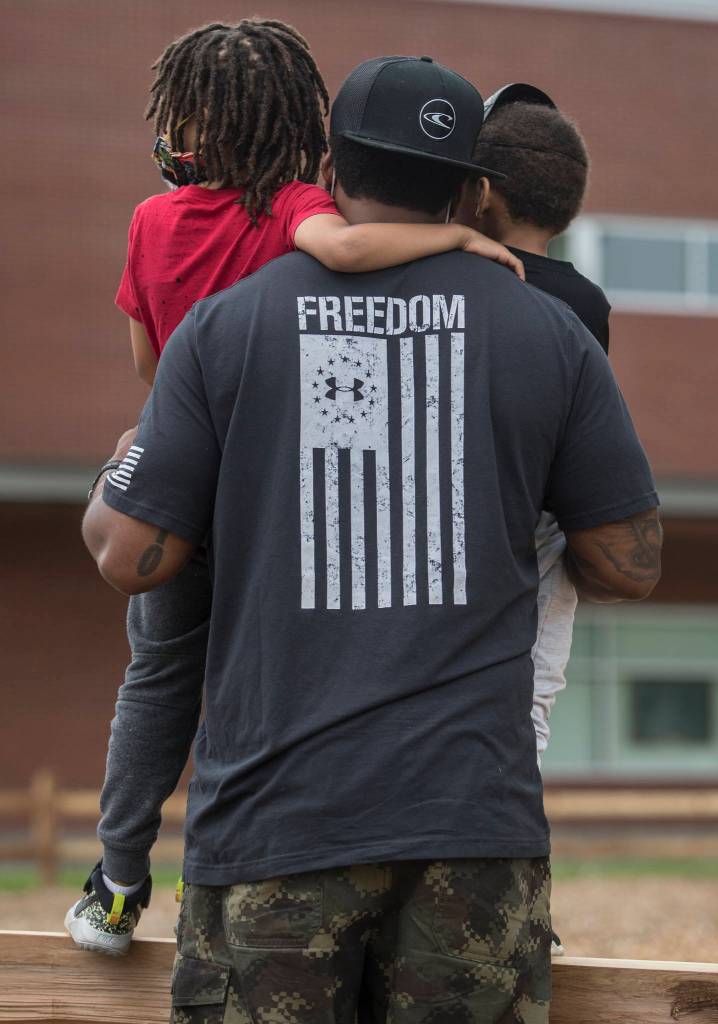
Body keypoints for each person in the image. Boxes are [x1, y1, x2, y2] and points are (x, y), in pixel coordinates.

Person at [82, 56, 661, 1023]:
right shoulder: (548, 331)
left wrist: (128, 464)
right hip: (473, 831)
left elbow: (129, 557)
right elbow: (625, 565)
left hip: (275, 829)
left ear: (329, 169)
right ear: (470, 186)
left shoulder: (225, 330)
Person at [64, 21, 521, 957]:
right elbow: (347, 258)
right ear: (293, 123)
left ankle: (115, 881)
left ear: (198, 126)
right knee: (276, 668)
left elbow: (150, 363)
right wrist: (456, 242)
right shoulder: (294, 203)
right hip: (277, 488)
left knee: (156, 678)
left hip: (176, 478)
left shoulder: (151, 223)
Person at [455, 88, 613, 957]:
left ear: (481, 192)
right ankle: (522, 904)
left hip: (460, 519)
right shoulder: (583, 301)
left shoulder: (462, 271)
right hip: (544, 527)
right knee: (532, 711)